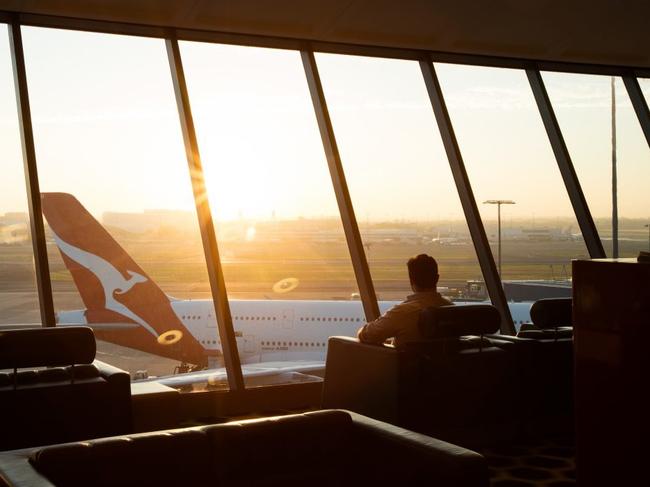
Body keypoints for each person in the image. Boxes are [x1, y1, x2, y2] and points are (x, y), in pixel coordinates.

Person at [357, 254, 452, 348]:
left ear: (411, 281)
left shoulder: (402, 312)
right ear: (437, 278)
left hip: (407, 363)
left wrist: (361, 331)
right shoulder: (452, 310)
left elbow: (367, 335)